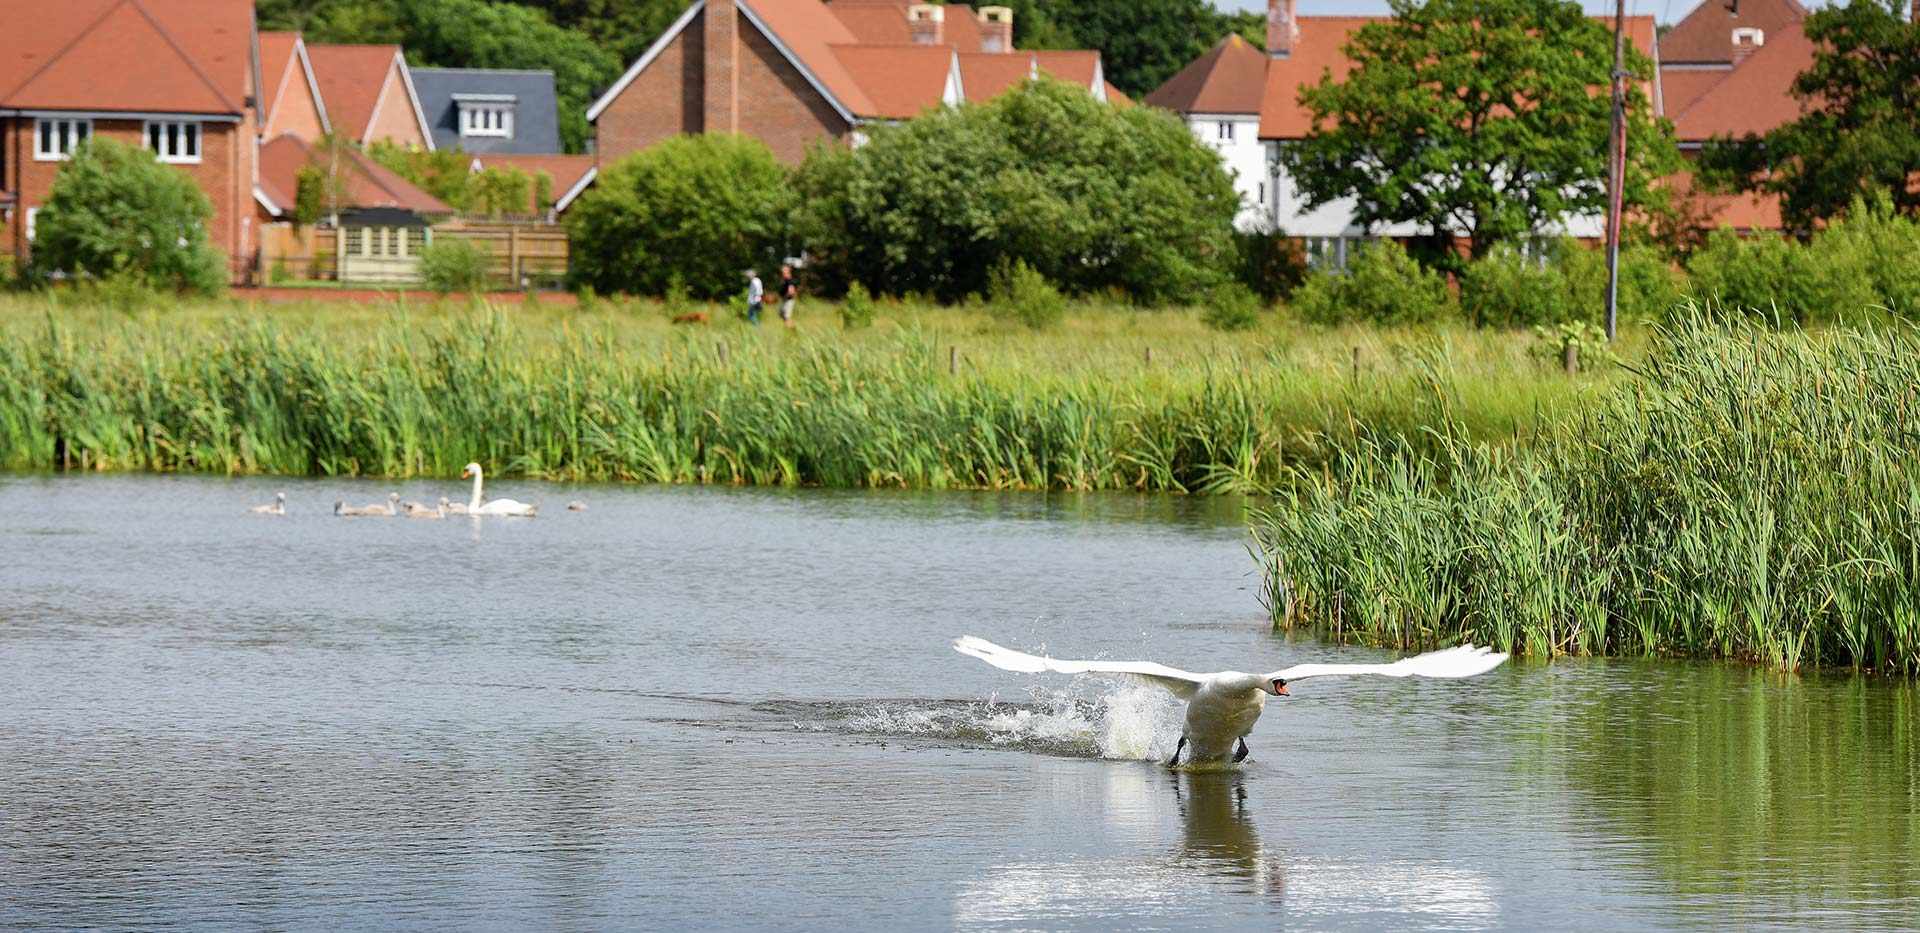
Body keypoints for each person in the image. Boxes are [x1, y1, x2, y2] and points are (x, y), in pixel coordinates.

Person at [778, 264, 798, 328]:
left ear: (788, 272)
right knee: (781, 314)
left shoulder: (790, 280)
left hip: (788, 300)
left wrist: (785, 297)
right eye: (782, 272)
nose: (782, 273)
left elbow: (791, 291)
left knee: (787, 316)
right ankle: (790, 326)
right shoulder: (785, 280)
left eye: (783, 272)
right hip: (785, 300)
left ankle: (791, 329)